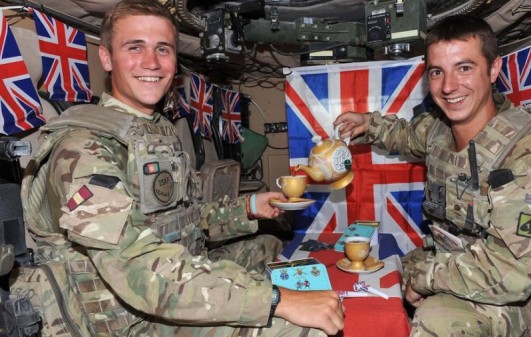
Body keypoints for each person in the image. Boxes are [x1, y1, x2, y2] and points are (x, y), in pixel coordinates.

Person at [19, 0, 344, 336]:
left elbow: (187, 223)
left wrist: (250, 207)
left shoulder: (157, 131)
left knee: (271, 250)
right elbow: (137, 269)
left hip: (172, 281)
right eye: (135, 47)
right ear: (106, 57)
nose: (152, 62)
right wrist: (274, 301)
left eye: (163, 49)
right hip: (134, 320)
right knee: (303, 329)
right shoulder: (83, 148)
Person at [334, 14, 531, 337]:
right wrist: (367, 124)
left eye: (464, 68)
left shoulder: (530, 154)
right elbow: (405, 135)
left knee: (437, 319)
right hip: (463, 258)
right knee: (378, 276)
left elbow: (510, 275)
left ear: (494, 69)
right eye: (437, 72)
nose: (448, 87)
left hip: (525, 298)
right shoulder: (439, 129)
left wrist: (425, 278)